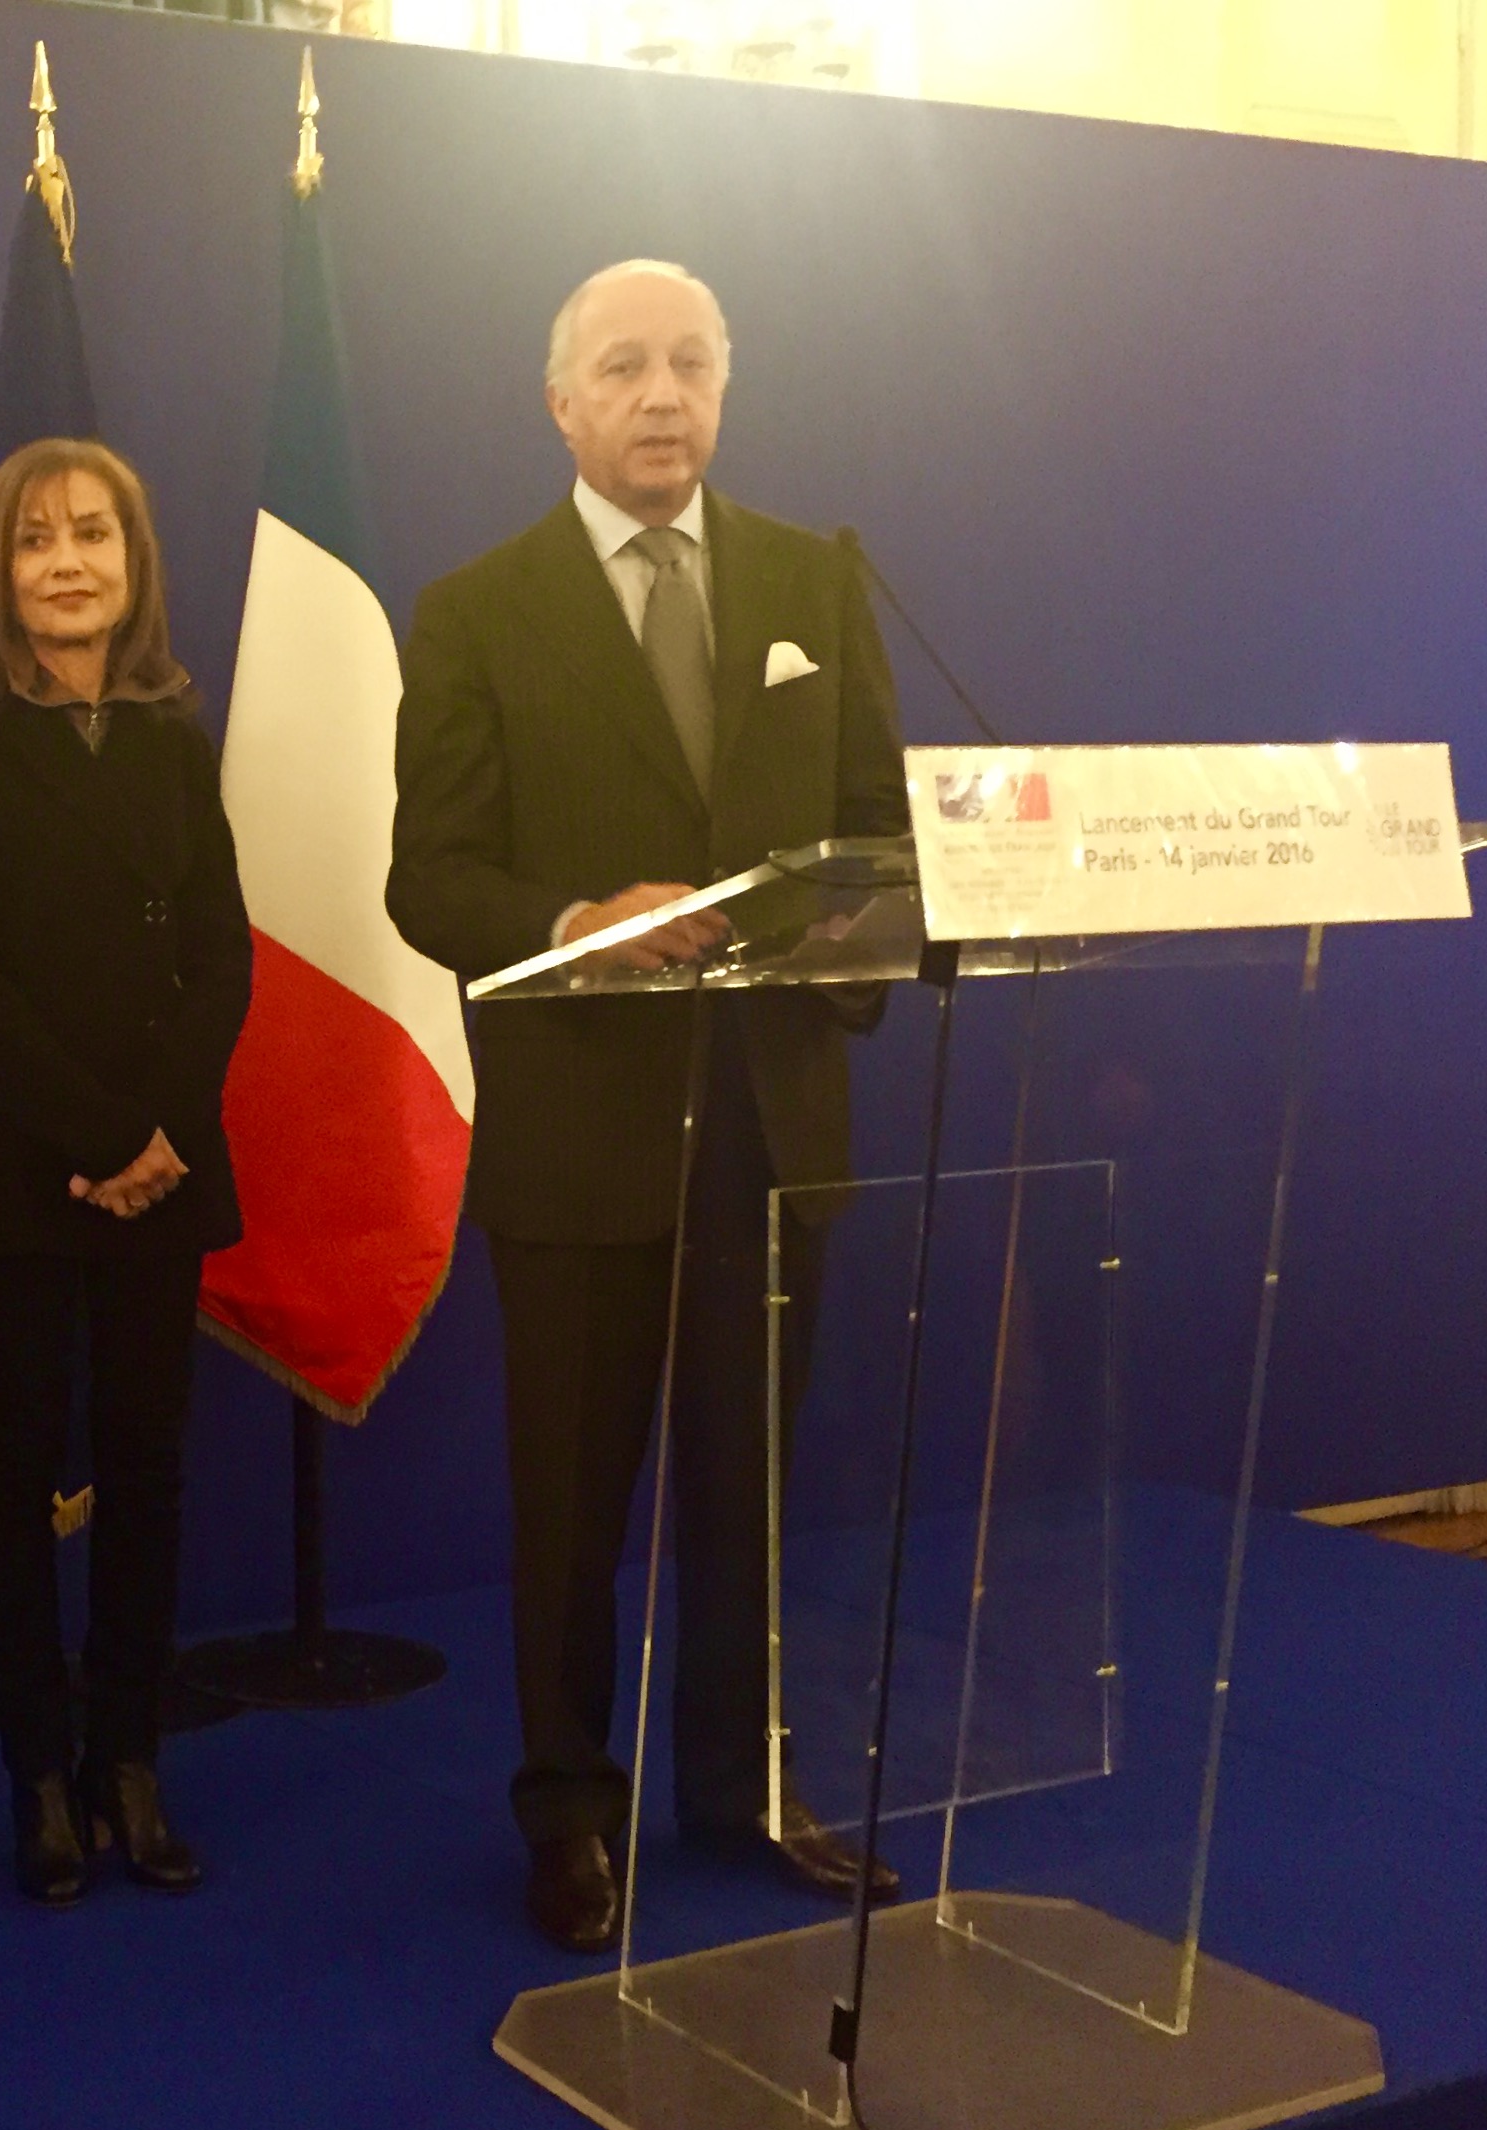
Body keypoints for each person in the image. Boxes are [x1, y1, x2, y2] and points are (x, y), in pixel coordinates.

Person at [386, 260, 911, 1953]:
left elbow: (881, 829)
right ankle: (568, 1813)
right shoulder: (474, 607)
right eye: (625, 366)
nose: (662, 393)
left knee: (748, 1487)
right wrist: (566, 925)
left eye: (692, 361)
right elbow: (428, 877)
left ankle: (743, 1786)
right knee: (574, 1502)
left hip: (774, 1118)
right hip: (584, 1133)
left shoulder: (815, 579)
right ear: (563, 403)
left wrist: (845, 952)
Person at [0, 438, 251, 1906]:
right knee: (15, 1467)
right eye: (37, 539)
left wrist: (160, 1130)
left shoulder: (174, 726)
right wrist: (99, 1139)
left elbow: (223, 949)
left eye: (93, 535)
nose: (67, 562)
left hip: (163, 1168)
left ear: (133, 561)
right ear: (1, 570)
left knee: (153, 1471)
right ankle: (40, 1776)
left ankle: (130, 1760)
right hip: (16, 1169)